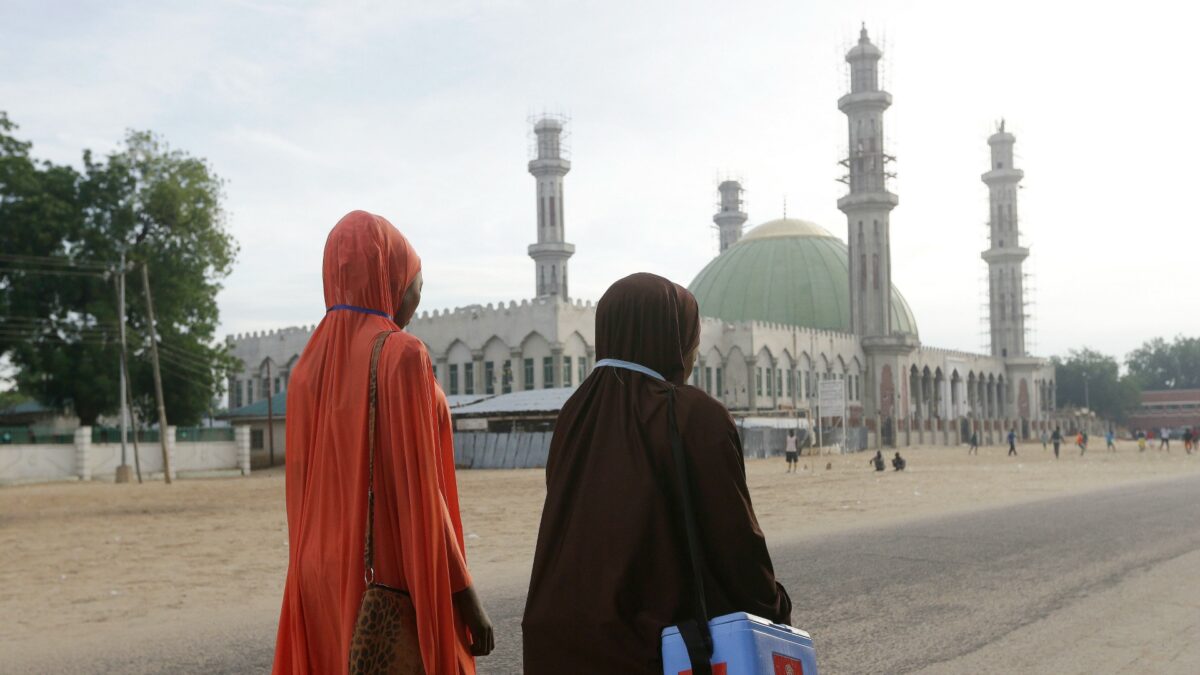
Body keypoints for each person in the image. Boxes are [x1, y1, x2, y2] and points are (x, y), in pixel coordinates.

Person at [522, 273, 791, 675]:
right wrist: (774, 607)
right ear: (669, 338)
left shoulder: (575, 415)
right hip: (654, 650)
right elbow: (734, 540)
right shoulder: (695, 415)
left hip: (559, 645)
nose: (695, 352)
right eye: (691, 339)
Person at [272, 211, 493, 675]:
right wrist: (463, 592)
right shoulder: (401, 354)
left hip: (315, 574)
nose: (416, 295)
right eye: (415, 282)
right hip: (384, 572)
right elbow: (421, 493)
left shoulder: (305, 370)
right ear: (387, 275)